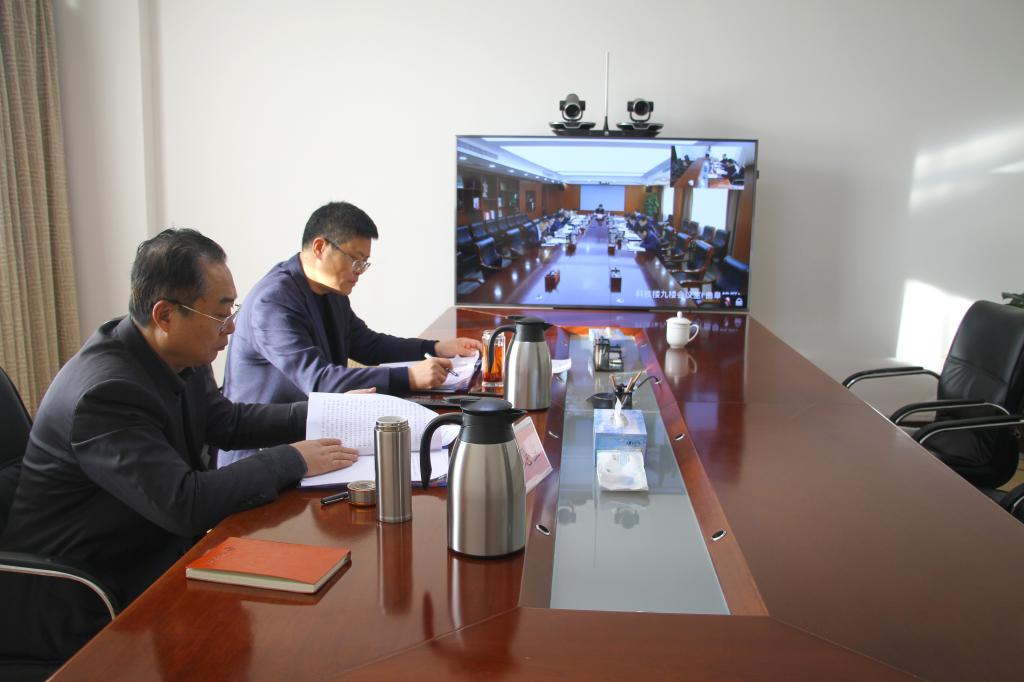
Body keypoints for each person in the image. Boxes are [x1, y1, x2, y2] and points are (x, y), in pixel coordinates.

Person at [0, 228, 357, 663]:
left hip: (148, 552)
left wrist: (328, 411)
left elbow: (226, 423)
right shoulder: (105, 393)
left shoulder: (175, 353)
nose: (232, 327)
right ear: (165, 314)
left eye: (232, 309)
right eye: (221, 313)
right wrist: (293, 459)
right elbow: (183, 503)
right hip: (78, 590)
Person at [221, 202, 481, 465]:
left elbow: (368, 344)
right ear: (320, 247)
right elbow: (319, 381)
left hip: (312, 439)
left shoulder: (330, 291)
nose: (359, 272)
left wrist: (435, 347)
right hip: (261, 456)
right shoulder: (273, 301)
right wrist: (410, 377)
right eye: (355, 260)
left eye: (364, 263)